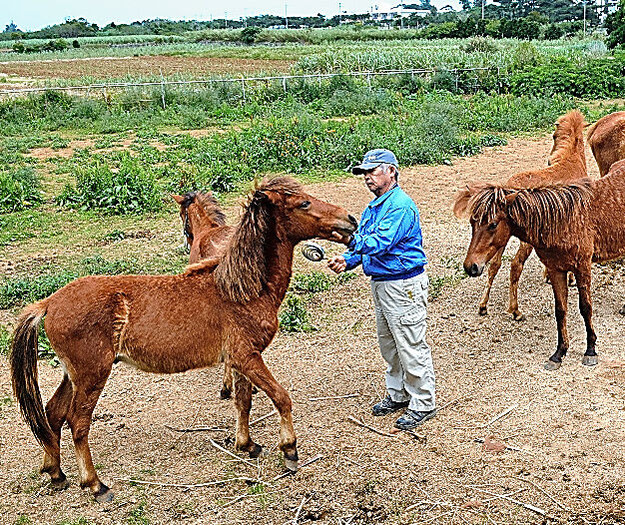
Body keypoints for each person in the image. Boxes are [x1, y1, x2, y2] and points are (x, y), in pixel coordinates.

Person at [328, 148, 436, 430]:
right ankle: (399, 394)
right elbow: (367, 244)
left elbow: (381, 242)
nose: (367, 177)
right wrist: (347, 259)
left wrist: (350, 242)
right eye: (364, 173)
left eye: (373, 171)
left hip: (403, 284)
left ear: (392, 172)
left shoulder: (400, 206)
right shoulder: (373, 208)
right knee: (390, 345)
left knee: (410, 344)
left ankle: (423, 402)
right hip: (383, 283)